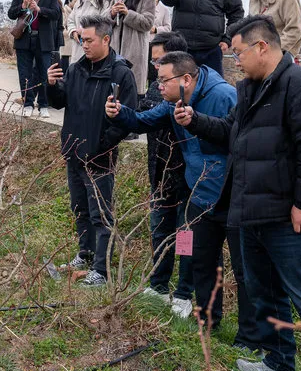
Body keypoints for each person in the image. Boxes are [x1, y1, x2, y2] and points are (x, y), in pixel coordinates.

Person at [175, 15, 301, 371]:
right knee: (266, 296)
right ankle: (279, 363)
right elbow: (231, 133)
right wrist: (195, 120)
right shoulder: (251, 89)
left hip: (289, 219)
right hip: (251, 213)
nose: (234, 61)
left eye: (238, 53)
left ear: (262, 47)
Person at [105, 51, 257, 349]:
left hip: (233, 195)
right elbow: (140, 121)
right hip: (198, 194)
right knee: (201, 260)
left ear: (186, 79)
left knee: (245, 269)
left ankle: (250, 338)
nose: (158, 86)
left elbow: (243, 143)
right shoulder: (171, 103)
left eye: (163, 80)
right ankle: (206, 321)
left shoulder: (225, 96)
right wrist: (119, 112)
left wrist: (197, 122)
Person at [47, 15, 137, 287]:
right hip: (73, 153)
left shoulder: (121, 73)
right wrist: (51, 85)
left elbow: (127, 120)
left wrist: (99, 146)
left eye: (89, 40)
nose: (83, 45)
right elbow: (61, 103)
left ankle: (101, 269)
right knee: (80, 208)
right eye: (81, 39)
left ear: (106, 39)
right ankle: (84, 254)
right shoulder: (76, 69)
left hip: (100, 157)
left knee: (101, 215)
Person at [138, 31, 194, 318]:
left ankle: (184, 292)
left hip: (186, 180)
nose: (155, 67)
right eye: (153, 62)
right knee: (159, 231)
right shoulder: (154, 88)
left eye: (160, 61)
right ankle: (158, 284)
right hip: (158, 175)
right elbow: (141, 114)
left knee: (185, 237)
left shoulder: (192, 97)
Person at [8, 0, 61, 118]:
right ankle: (28, 103)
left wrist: (39, 9)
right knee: (24, 73)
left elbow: (56, 14)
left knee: (44, 72)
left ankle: (43, 104)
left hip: (43, 40)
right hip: (24, 40)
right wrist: (23, 6)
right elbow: (11, 13)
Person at [110, 0, 156, 99]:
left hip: (135, 51)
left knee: (133, 92)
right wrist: (112, 13)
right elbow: (106, 21)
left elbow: (147, 23)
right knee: (114, 91)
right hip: (116, 49)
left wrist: (127, 13)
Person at [67, 0, 112, 64]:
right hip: (78, 45)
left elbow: (104, 23)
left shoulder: (105, 3)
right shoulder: (80, 2)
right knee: (76, 71)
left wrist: (84, 31)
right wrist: (73, 31)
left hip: (95, 46)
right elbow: (70, 20)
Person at [60, 0, 79, 70]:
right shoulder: (64, 11)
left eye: (78, 1)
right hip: (66, 40)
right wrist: (70, 32)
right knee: (65, 61)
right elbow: (62, 26)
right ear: (69, 1)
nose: (76, 3)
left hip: (73, 40)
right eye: (75, 1)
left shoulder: (75, 11)